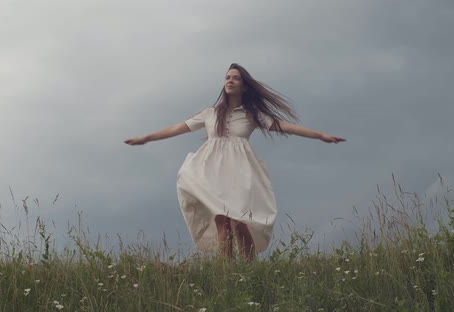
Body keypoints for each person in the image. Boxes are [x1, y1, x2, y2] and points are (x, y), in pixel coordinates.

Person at [124, 63, 345, 260]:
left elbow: (285, 126)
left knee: (239, 221)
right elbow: (177, 128)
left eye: (235, 78)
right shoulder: (211, 113)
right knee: (222, 221)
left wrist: (320, 135)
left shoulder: (252, 115)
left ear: (245, 86)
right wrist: (146, 138)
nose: (230, 81)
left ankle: (248, 269)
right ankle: (227, 276)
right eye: (227, 78)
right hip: (212, 172)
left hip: (240, 172)